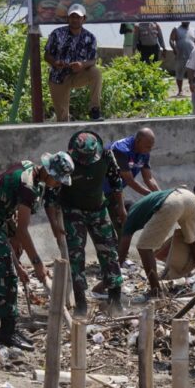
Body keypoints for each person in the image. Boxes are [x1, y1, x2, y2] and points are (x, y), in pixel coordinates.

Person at [0, 151, 74, 350]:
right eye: (58, 180)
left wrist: (19, 264)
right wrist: (38, 264)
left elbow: (18, 232)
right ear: (49, 173)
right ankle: (6, 333)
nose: (58, 184)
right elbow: (23, 231)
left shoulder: (28, 166)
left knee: (11, 262)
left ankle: (8, 322)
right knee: (6, 274)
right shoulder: (29, 187)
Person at [44, 131, 126, 316]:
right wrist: (55, 226)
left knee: (109, 253)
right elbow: (49, 197)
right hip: (73, 211)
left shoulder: (106, 155)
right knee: (76, 256)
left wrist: (120, 208)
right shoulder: (65, 161)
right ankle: (81, 303)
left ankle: (115, 300)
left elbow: (116, 181)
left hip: (98, 208)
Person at [118, 187, 195, 297]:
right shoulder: (143, 206)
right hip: (188, 197)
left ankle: (156, 291)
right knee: (193, 239)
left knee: (144, 248)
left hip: (172, 203)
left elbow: (123, 249)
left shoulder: (130, 215)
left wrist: (114, 269)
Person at [43, 3, 102, 121]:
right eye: (72, 17)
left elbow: (93, 60)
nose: (75, 20)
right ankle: (67, 125)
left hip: (78, 75)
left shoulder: (90, 37)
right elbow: (47, 55)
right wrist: (55, 63)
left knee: (96, 72)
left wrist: (82, 65)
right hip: (58, 77)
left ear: (84, 19)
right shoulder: (57, 34)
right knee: (62, 118)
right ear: (68, 18)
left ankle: (95, 110)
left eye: (78, 17)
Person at [169, 22, 195, 96]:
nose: (185, 21)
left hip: (191, 56)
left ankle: (193, 89)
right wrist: (174, 49)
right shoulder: (176, 29)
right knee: (179, 73)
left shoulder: (193, 29)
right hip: (180, 55)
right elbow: (171, 40)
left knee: (193, 74)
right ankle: (180, 90)